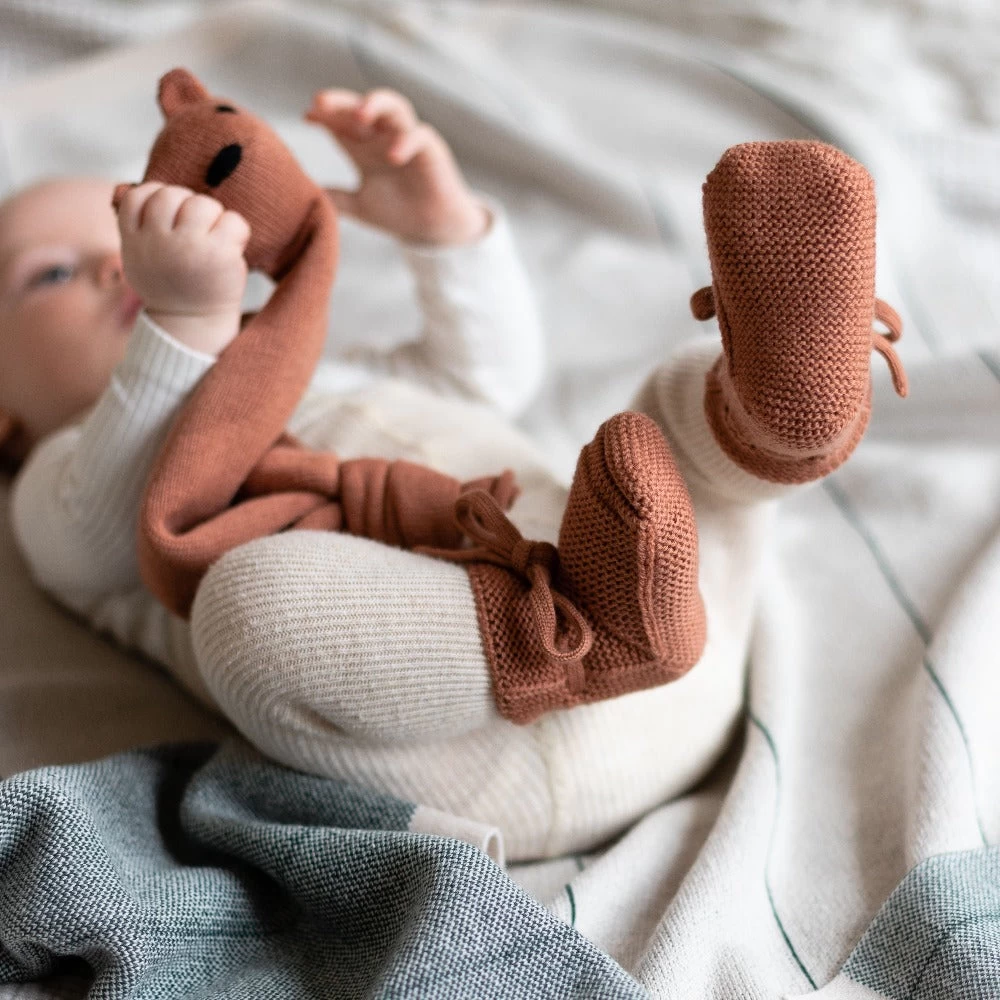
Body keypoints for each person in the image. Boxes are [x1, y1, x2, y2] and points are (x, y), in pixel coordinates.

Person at [2, 82, 908, 861]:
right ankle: (582, 622)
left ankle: (777, 421)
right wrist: (182, 321)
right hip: (494, 744)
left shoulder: (317, 365)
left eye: (131, 221)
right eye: (49, 275)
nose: (116, 261)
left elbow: (490, 378)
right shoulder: (57, 476)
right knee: (246, 608)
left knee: (663, 410)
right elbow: (95, 539)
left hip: (676, 602)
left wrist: (444, 233)